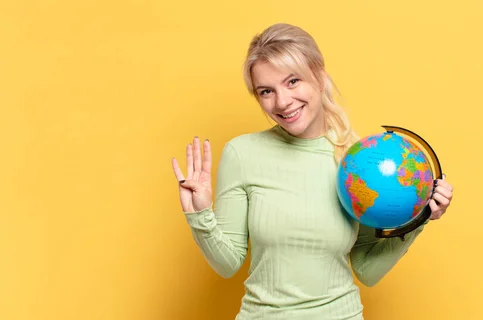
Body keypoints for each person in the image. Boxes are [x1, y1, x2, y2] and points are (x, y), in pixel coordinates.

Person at [171, 23, 454, 320]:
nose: (282, 102)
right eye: (266, 91)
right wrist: (200, 215)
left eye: (292, 81)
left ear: (318, 75)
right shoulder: (242, 154)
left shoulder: (359, 161)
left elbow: (367, 270)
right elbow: (227, 264)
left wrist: (420, 219)